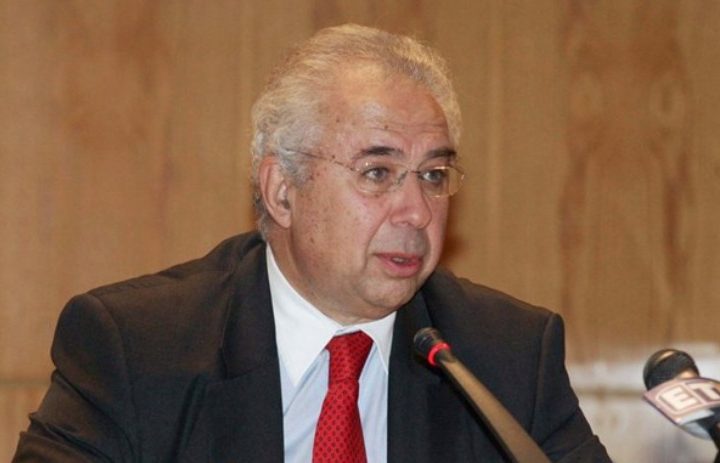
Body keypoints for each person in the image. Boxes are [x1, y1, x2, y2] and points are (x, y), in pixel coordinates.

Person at [13, 24, 611, 462]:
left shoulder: (503, 356)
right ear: (282, 192)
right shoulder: (138, 348)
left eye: (433, 175)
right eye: (377, 172)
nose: (417, 210)